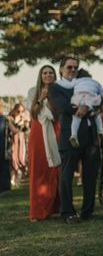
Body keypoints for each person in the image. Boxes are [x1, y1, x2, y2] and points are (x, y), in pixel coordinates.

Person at [48, 56, 101, 223]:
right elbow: (62, 106)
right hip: (70, 137)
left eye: (75, 68)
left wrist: (89, 107)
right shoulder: (55, 88)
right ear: (61, 69)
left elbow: (99, 103)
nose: (72, 70)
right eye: (69, 67)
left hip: (90, 136)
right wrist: (84, 107)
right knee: (66, 176)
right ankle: (68, 212)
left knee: (91, 175)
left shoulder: (84, 84)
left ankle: (88, 211)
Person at [26, 65, 61, 221]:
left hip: (55, 130)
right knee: (38, 169)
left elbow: (57, 113)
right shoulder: (32, 91)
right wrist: (41, 98)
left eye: (51, 73)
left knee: (55, 170)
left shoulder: (59, 90)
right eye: (45, 73)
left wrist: (51, 97)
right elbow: (33, 112)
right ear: (41, 76)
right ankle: (37, 210)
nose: (48, 75)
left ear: (55, 75)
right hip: (38, 132)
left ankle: (56, 207)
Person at [69, 69, 103, 148]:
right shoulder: (95, 82)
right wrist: (101, 104)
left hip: (79, 99)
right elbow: (102, 94)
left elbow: (70, 90)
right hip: (92, 99)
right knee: (96, 114)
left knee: (77, 117)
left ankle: (73, 134)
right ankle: (100, 130)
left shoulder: (76, 81)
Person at [7, 103, 29, 187]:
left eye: (22, 111)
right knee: (13, 160)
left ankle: (17, 179)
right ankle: (13, 179)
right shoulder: (10, 118)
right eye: (18, 111)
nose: (20, 113)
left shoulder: (23, 119)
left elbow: (25, 129)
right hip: (13, 142)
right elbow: (14, 130)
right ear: (15, 110)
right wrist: (18, 121)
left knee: (21, 159)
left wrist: (24, 122)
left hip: (21, 142)